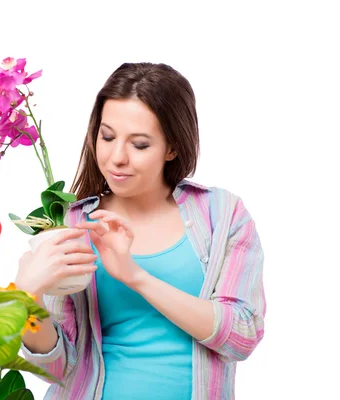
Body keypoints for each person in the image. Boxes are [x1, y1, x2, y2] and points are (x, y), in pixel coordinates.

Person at [14, 62, 266, 400]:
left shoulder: (222, 216)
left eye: (140, 145)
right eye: (107, 137)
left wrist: (135, 276)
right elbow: (57, 368)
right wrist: (27, 299)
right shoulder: (72, 225)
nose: (117, 157)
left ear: (172, 148)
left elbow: (242, 334)